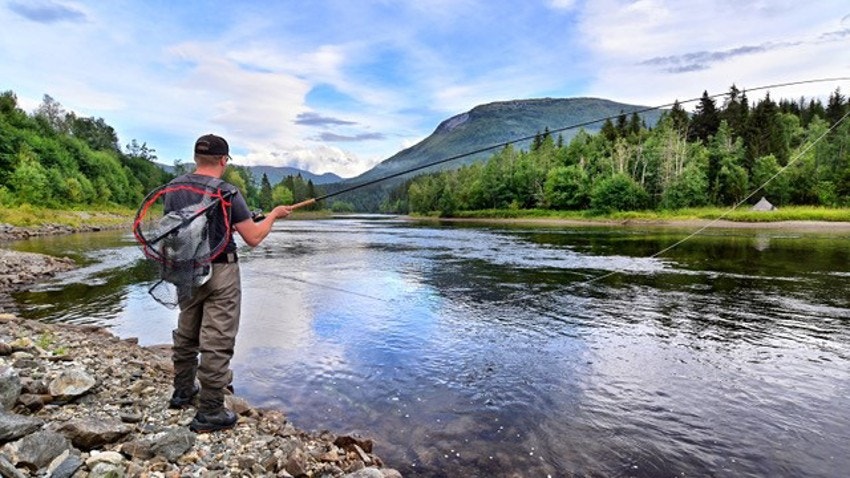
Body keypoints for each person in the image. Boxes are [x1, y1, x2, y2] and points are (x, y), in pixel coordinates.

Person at [166, 133, 293, 433]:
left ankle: (182, 391)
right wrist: (274, 215)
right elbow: (254, 238)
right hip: (221, 271)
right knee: (217, 339)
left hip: (187, 270)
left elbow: (181, 230)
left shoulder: (174, 188)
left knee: (187, 331)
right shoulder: (228, 192)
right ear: (223, 160)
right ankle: (210, 410)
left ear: (197, 158)